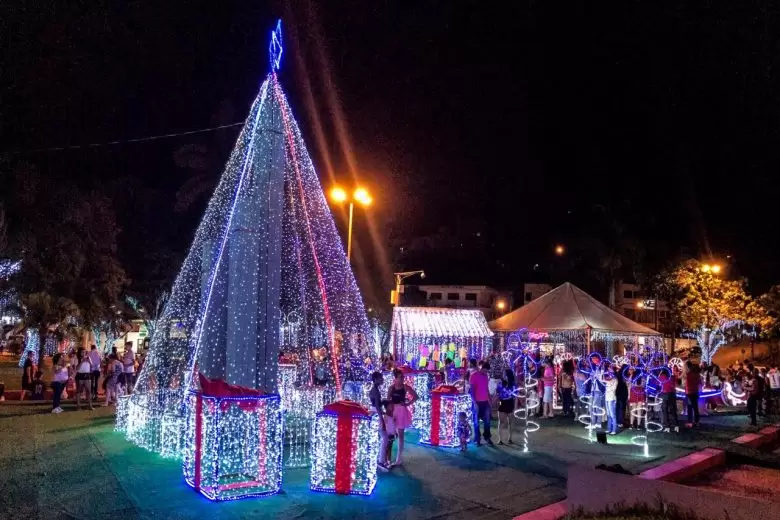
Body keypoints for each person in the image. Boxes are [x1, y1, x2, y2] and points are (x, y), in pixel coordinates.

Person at [387, 368, 417, 466]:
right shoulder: (391, 388)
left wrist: (408, 404)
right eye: (401, 377)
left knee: (401, 435)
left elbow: (416, 396)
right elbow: (388, 401)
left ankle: (398, 458)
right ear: (395, 378)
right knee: (390, 434)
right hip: (393, 411)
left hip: (402, 411)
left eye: (403, 377)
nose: (403, 379)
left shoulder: (405, 387)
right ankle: (387, 458)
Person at [369, 371, 390, 470]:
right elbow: (377, 406)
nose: (382, 379)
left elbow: (377, 404)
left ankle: (380, 459)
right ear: (376, 379)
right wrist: (382, 418)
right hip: (377, 414)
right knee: (384, 438)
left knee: (382, 438)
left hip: (375, 412)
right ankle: (380, 460)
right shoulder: (375, 391)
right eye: (381, 378)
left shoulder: (374, 390)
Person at [469, 360, 493, 445]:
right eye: (485, 370)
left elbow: (486, 389)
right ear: (481, 368)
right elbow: (471, 391)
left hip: (485, 402)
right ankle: (477, 439)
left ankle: (487, 437)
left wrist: (490, 401)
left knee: (487, 421)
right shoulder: (473, 376)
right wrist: (474, 403)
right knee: (476, 422)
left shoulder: (486, 376)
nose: (486, 372)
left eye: (487, 371)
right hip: (477, 402)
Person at [497, 368, 515, 444]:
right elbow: (498, 394)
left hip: (510, 403)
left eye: (504, 373)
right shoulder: (500, 383)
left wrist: (516, 406)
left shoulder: (512, 384)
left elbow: (514, 396)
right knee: (501, 422)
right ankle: (500, 439)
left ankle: (510, 438)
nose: (503, 375)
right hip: (503, 403)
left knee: (510, 422)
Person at [685, 361, 701, 426]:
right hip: (695, 392)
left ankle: (690, 422)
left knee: (690, 407)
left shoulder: (688, 374)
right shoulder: (697, 374)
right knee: (695, 407)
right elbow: (699, 383)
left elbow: (687, 384)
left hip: (689, 393)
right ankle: (696, 421)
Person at [615, 364, 628, 429]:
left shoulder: (618, 373)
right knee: (621, 407)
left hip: (618, 392)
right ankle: (620, 421)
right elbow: (625, 382)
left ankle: (618, 421)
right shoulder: (624, 375)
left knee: (618, 407)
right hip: (622, 392)